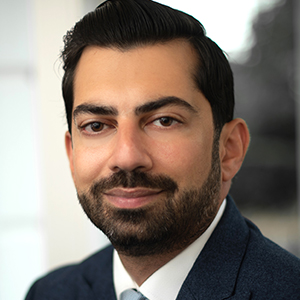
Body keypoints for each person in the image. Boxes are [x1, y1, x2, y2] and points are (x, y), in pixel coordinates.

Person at [25, 0, 300, 299]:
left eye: (164, 121)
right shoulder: (49, 293)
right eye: (96, 126)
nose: (127, 157)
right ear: (72, 154)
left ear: (229, 149)